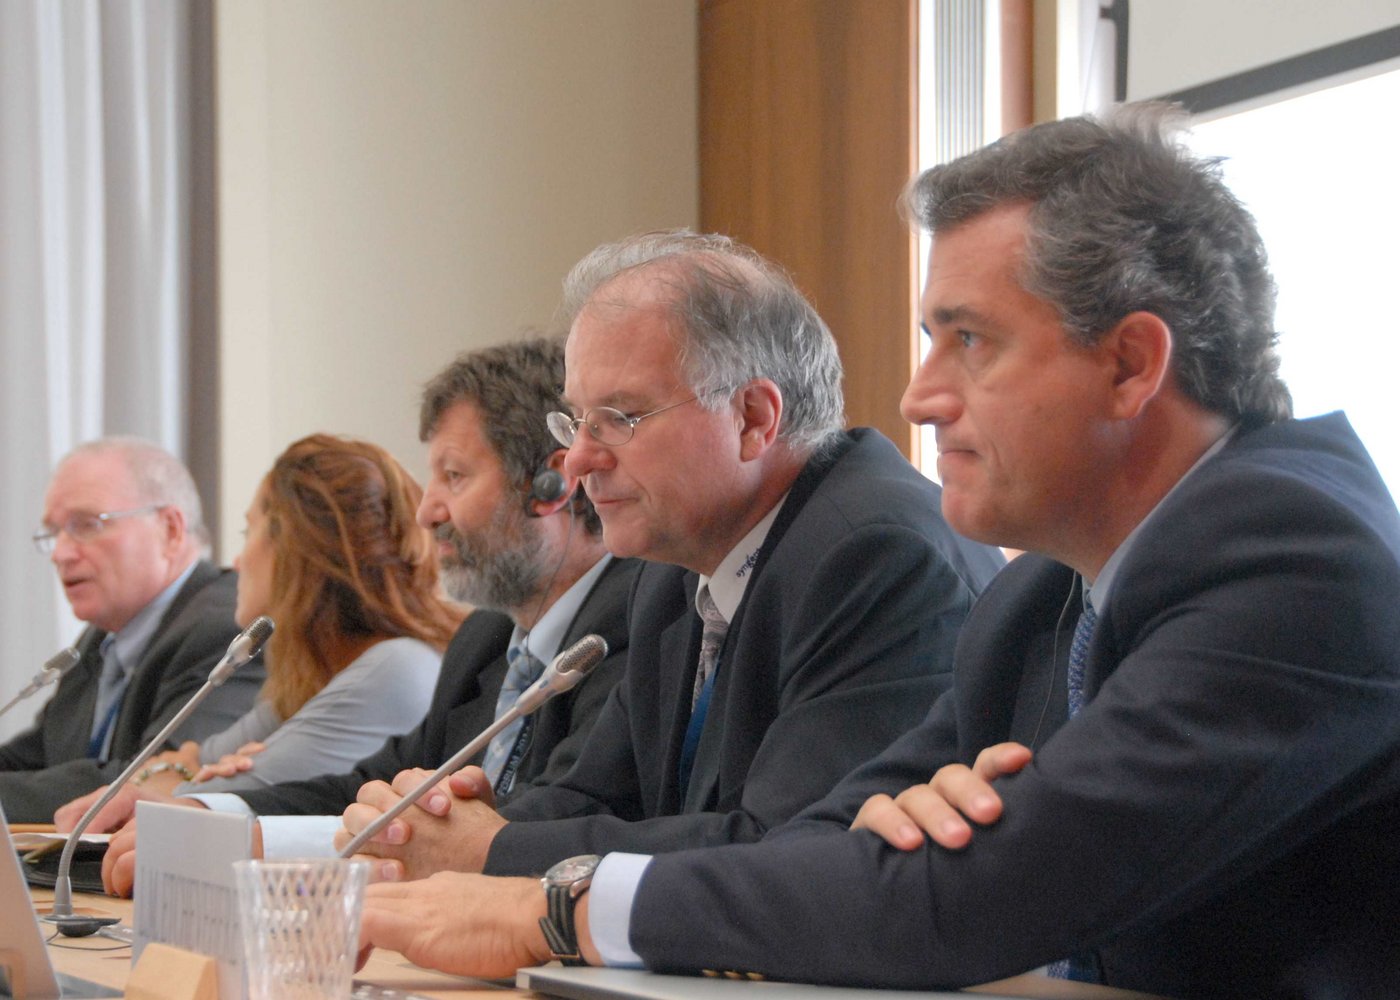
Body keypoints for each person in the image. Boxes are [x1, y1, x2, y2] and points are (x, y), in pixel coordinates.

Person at [354, 105, 1400, 999]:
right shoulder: (1038, 593)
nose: (916, 395)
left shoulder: (1298, 557)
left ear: (1129, 364)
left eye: (969, 340)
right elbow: (820, 848)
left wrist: (558, 907)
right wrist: (894, 851)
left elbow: (970, 894)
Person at [338, 231, 1004, 881]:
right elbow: (596, 797)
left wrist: (492, 854)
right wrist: (444, 829)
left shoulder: (877, 556)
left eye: (620, 419)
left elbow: (788, 846)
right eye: (576, 421)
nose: (578, 460)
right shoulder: (670, 571)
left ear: (753, 418)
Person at [96, 338, 639, 894]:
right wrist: (215, 815)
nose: (429, 511)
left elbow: (549, 822)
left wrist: (253, 845)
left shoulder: (636, 625)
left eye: (454, 476)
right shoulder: (486, 639)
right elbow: (369, 785)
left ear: (552, 485)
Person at [56, 433, 464, 821]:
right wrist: (186, 773)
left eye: (247, 532)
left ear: (293, 550)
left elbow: (197, 812)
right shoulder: (313, 676)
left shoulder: (395, 668)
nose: (237, 561)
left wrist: (186, 777)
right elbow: (190, 764)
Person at [0, 438, 263, 823]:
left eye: (86, 525)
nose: (61, 553)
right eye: (54, 533)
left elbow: (153, 778)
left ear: (170, 530)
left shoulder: (226, 630)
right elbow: (37, 756)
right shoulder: (102, 638)